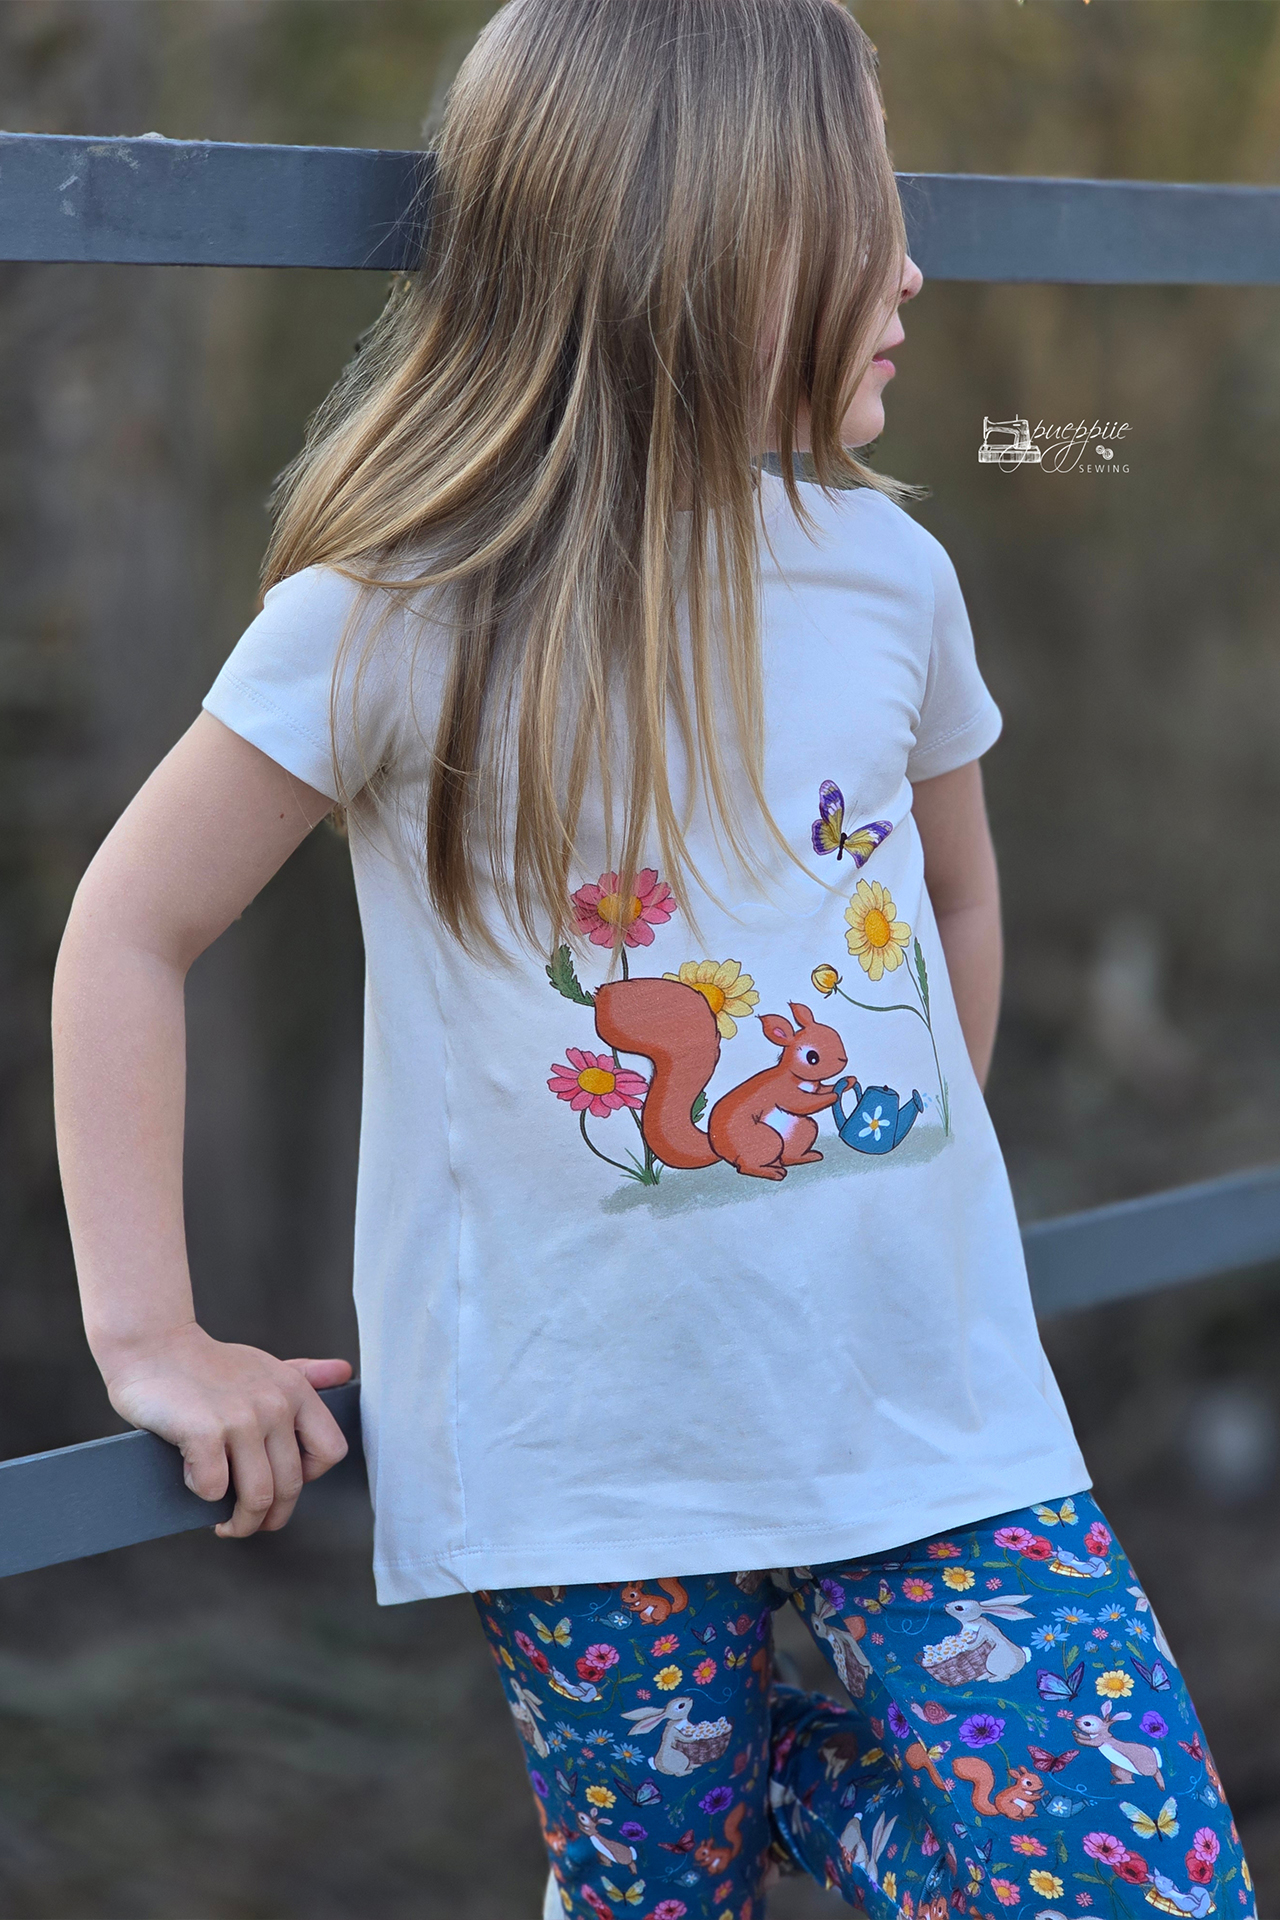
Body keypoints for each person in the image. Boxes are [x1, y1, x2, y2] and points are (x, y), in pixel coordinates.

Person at [50, 2, 1254, 1916]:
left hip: (930, 1420)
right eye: (867, 213)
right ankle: (728, 1798)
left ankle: (776, 1786)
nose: (915, 270)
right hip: (589, 1459)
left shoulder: (890, 575)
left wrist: (895, 1217)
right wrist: (151, 1337)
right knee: (652, 1893)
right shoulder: (400, 612)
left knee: (1141, 1883)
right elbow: (131, 926)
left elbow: (956, 901)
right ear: (715, 235)